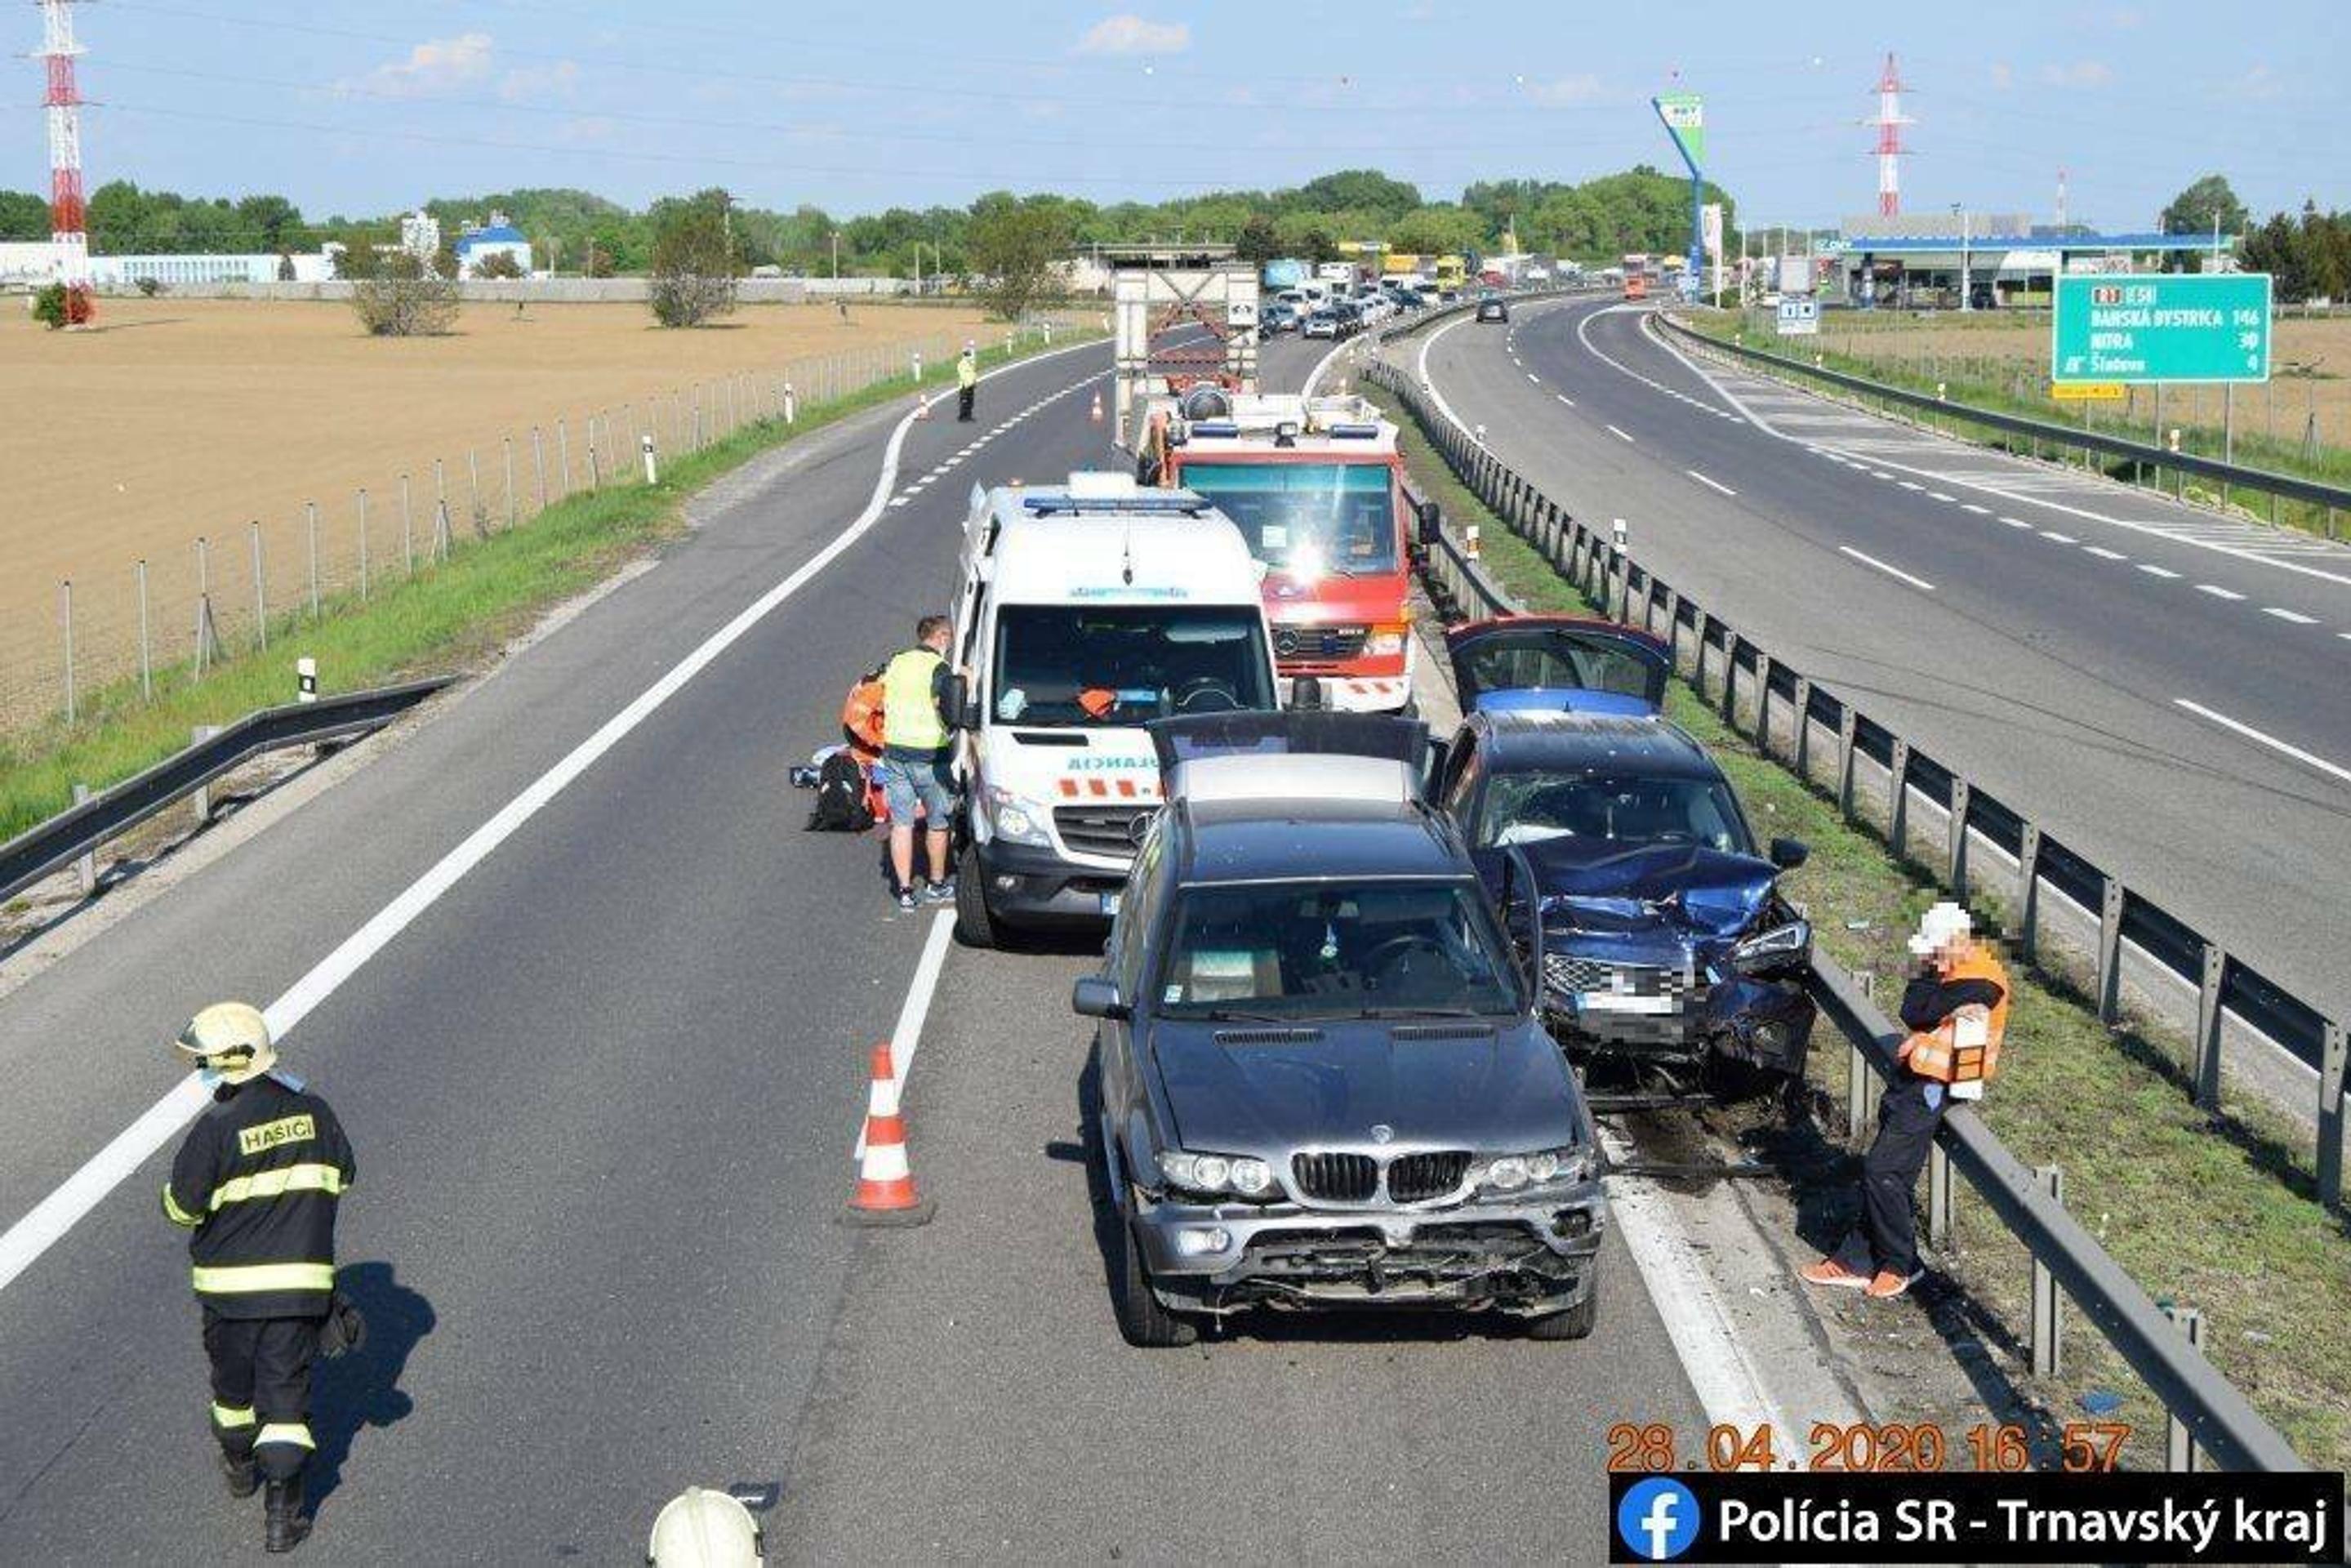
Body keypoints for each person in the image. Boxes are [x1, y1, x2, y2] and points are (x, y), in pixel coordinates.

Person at [163, 1002, 359, 1553]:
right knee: (286, 1403)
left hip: (228, 1295)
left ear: (226, 1063)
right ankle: (284, 1518)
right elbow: (343, 1174)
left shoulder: (216, 1130)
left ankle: (239, 1467)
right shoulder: (315, 1111)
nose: (201, 1071)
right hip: (297, 1291)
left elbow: (180, 1207)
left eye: (204, 1062)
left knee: (233, 1395)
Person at [1801, 902, 2009, 1299]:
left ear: (1955, 941)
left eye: (1933, 951)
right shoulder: (1948, 966)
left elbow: (1923, 1007)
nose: (1927, 959)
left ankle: (1900, 1265)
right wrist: (1938, 998)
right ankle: (1856, 1260)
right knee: (1885, 1172)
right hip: (1915, 1077)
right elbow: (1913, 1009)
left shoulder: (1982, 979)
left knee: (1884, 1172)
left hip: (1937, 1086)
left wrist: (1937, 1003)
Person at [875, 615, 962, 911]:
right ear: (941, 638)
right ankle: (937, 885)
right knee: (938, 823)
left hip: (895, 752)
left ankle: (905, 891)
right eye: (948, 638)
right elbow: (946, 705)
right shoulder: (939, 667)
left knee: (901, 824)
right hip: (929, 755)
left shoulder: (897, 660)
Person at [955, 341, 979, 422]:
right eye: (967, 353)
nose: (968, 354)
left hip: (970, 385)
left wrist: (975, 382)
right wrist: (967, 384)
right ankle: (962, 417)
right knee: (964, 401)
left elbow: (974, 373)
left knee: (970, 402)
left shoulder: (971, 363)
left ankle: (969, 416)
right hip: (964, 386)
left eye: (968, 353)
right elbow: (962, 376)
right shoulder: (961, 364)